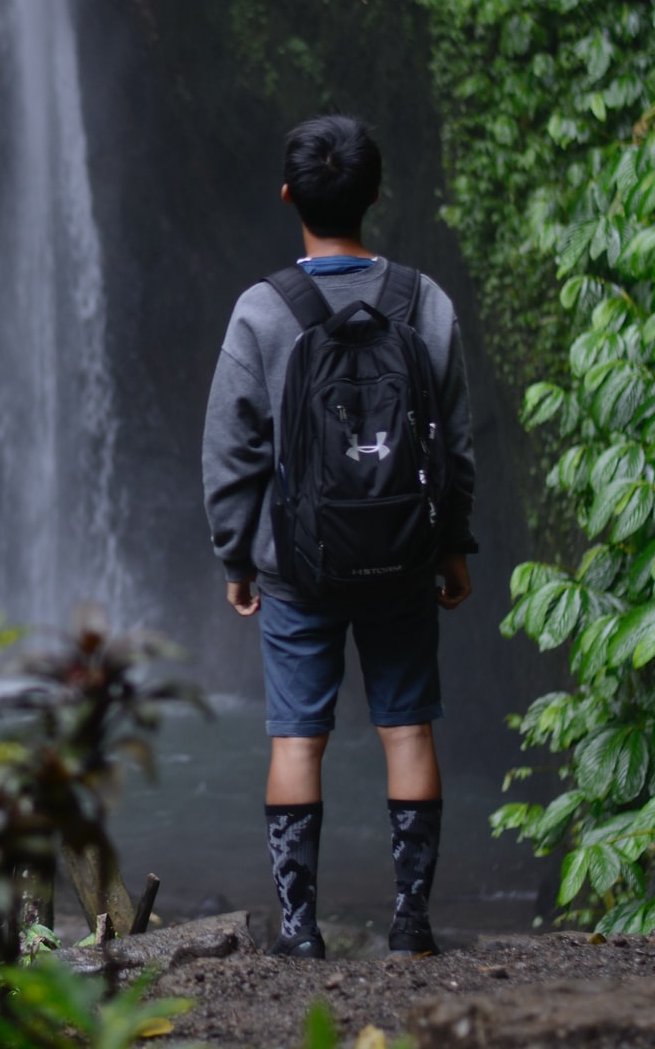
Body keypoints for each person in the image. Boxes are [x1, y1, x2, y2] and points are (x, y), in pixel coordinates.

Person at [201, 114, 477, 960]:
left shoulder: (264, 310)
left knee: (297, 736)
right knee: (407, 729)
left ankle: (297, 931)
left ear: (290, 197)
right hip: (402, 554)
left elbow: (232, 444)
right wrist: (452, 546)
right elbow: (454, 439)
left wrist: (236, 554)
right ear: (375, 195)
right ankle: (411, 925)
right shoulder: (421, 301)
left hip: (297, 565)